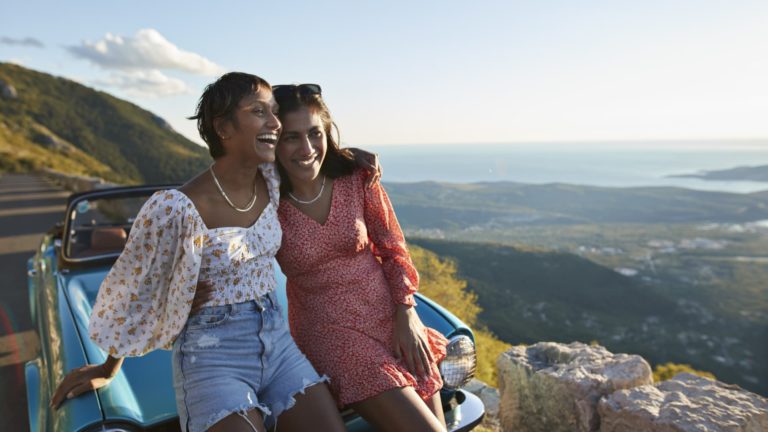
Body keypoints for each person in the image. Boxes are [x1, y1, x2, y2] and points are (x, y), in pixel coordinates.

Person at [50, 73, 377, 432]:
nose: (275, 122)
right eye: (258, 111)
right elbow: (137, 291)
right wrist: (106, 368)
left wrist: (349, 157)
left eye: (273, 111)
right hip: (211, 352)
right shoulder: (178, 207)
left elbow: (310, 152)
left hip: (278, 341)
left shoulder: (271, 178)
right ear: (223, 128)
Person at [272, 84, 448, 432]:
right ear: (273, 141)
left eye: (314, 133)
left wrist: (407, 311)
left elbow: (393, 248)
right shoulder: (263, 202)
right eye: (291, 137)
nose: (306, 149)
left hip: (390, 316)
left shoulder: (356, 178)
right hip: (329, 331)